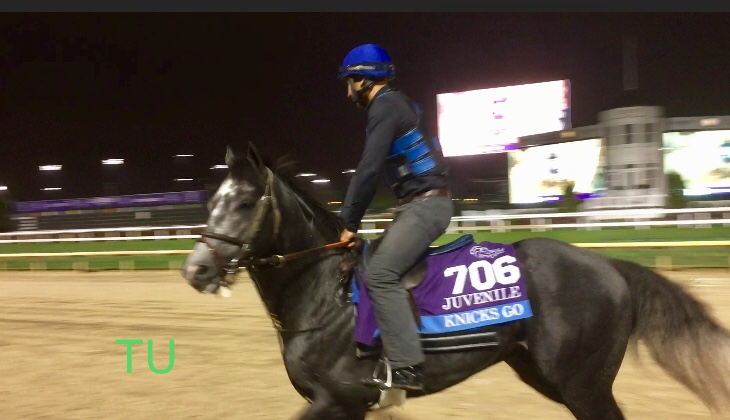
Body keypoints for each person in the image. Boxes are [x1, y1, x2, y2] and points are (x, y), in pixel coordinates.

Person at [336, 43, 454, 391]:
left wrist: (349, 223)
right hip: (416, 205)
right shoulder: (399, 104)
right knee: (370, 263)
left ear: (363, 80)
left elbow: (368, 171)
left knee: (382, 275)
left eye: (348, 83)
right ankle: (375, 347)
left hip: (426, 207)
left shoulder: (384, 107)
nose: (347, 92)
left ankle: (408, 367)